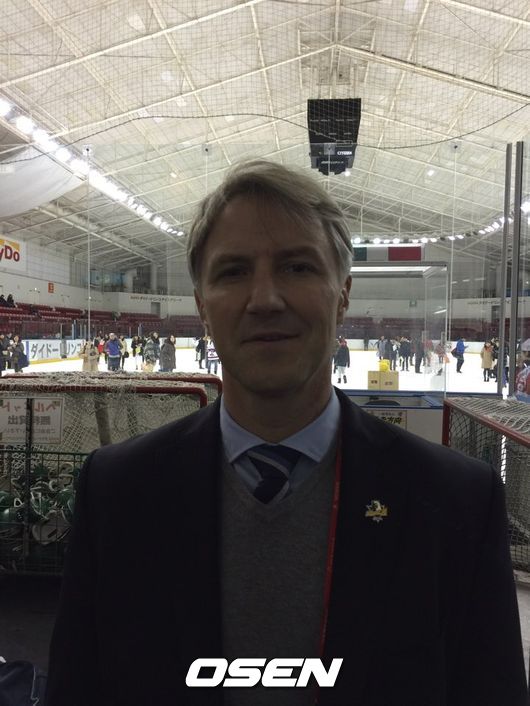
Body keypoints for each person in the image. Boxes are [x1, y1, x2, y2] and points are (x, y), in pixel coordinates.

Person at [45, 160, 527, 706]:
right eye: (233, 272)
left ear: (342, 294)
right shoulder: (118, 491)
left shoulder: (457, 503)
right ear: (202, 305)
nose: (265, 299)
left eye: (297, 267)